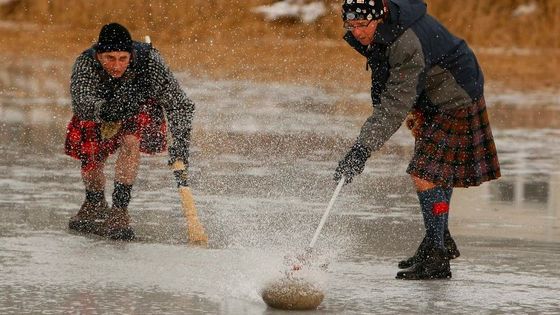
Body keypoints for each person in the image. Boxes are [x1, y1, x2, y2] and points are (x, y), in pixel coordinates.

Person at [334, 0, 500, 279]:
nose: (358, 32)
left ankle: (437, 257)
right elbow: (387, 77)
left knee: (426, 173)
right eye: (351, 26)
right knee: (437, 172)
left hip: (454, 95)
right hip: (434, 92)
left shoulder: (404, 40)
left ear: (381, 15)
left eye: (363, 25)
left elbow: (396, 102)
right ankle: (438, 241)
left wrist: (362, 149)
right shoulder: (388, 27)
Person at [65, 22, 195, 240]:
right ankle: (94, 201)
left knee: (130, 141)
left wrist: (180, 144)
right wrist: (107, 110)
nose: (117, 66)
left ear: (131, 55)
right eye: (110, 59)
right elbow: (81, 104)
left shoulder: (150, 62)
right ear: (99, 55)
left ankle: (119, 210)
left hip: (138, 106)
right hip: (99, 109)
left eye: (123, 59)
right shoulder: (85, 63)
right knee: (91, 155)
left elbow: (179, 104)